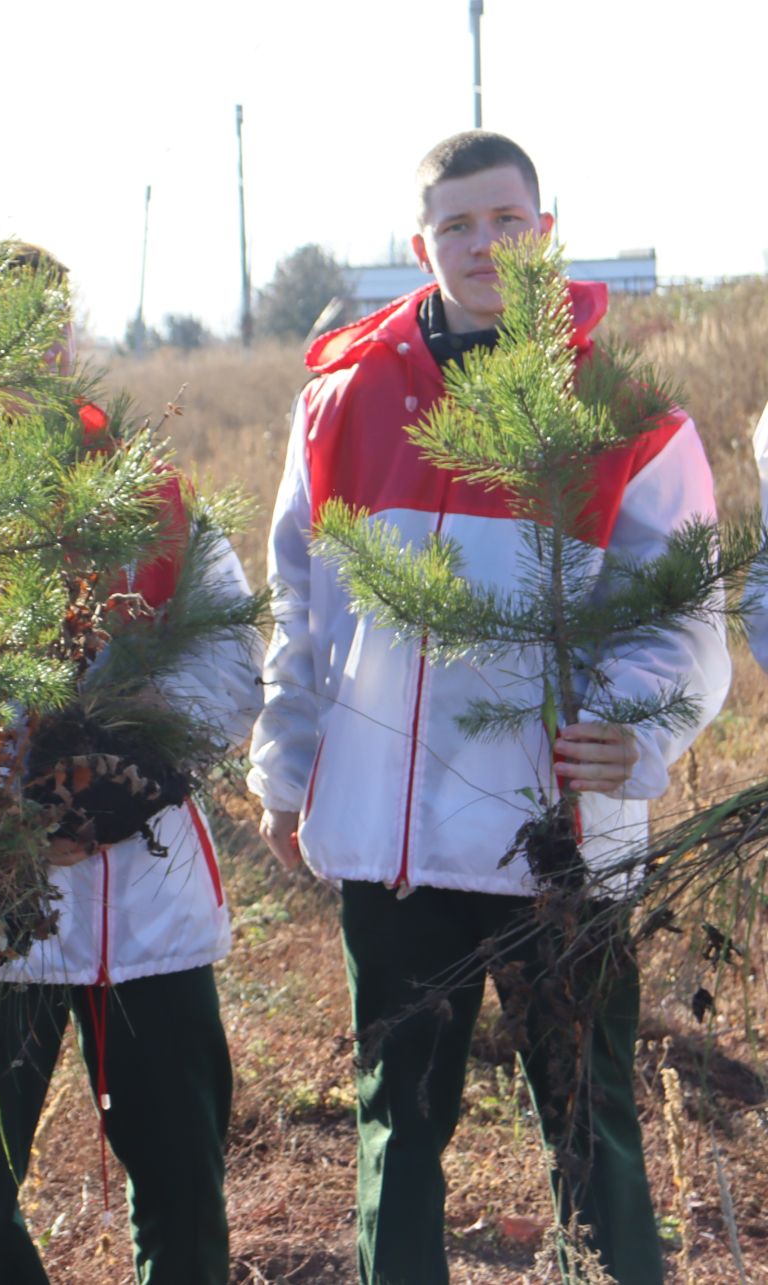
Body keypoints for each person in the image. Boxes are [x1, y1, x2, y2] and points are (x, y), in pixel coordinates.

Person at [246, 130, 729, 1284]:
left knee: (594, 1124)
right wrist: (283, 769)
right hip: (395, 840)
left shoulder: (625, 410)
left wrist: (643, 727)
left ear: (545, 234)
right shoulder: (344, 395)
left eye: (507, 221)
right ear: (422, 243)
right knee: (398, 1125)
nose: (484, 244)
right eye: (458, 224)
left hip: (557, 837)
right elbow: (302, 602)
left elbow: (685, 612)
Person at [0, 244, 260, 1285]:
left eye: (46, 322)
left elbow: (227, 659)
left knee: (184, 1187)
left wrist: (114, 788)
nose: (32, 346)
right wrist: (11, 803)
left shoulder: (152, 495)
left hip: (148, 904)